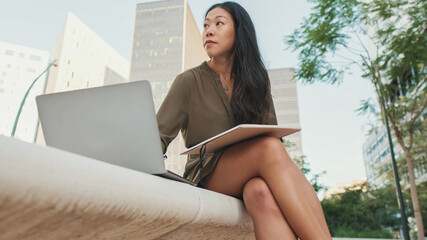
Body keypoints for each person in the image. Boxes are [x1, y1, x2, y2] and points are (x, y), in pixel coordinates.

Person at [156, 1, 332, 239]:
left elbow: (271, 138)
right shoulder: (188, 81)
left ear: (239, 32)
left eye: (219, 23)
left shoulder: (256, 82)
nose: (208, 30)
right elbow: (157, 138)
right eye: (206, 25)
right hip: (207, 174)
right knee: (269, 148)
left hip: (250, 176)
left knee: (259, 191)